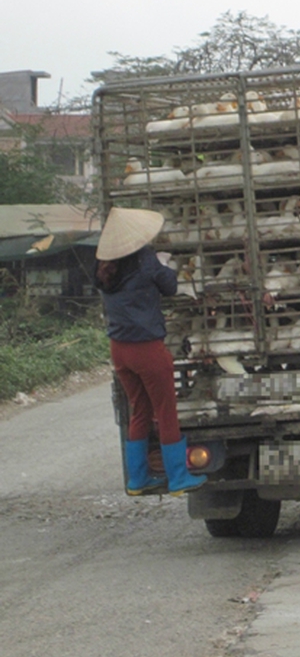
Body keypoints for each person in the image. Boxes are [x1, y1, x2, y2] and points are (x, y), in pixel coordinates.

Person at [94, 207, 206, 497]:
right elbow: (169, 287)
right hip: (146, 349)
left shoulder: (105, 268)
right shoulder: (145, 260)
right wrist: (164, 263)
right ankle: (179, 478)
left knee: (139, 410)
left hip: (119, 350)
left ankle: (137, 479)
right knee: (166, 411)